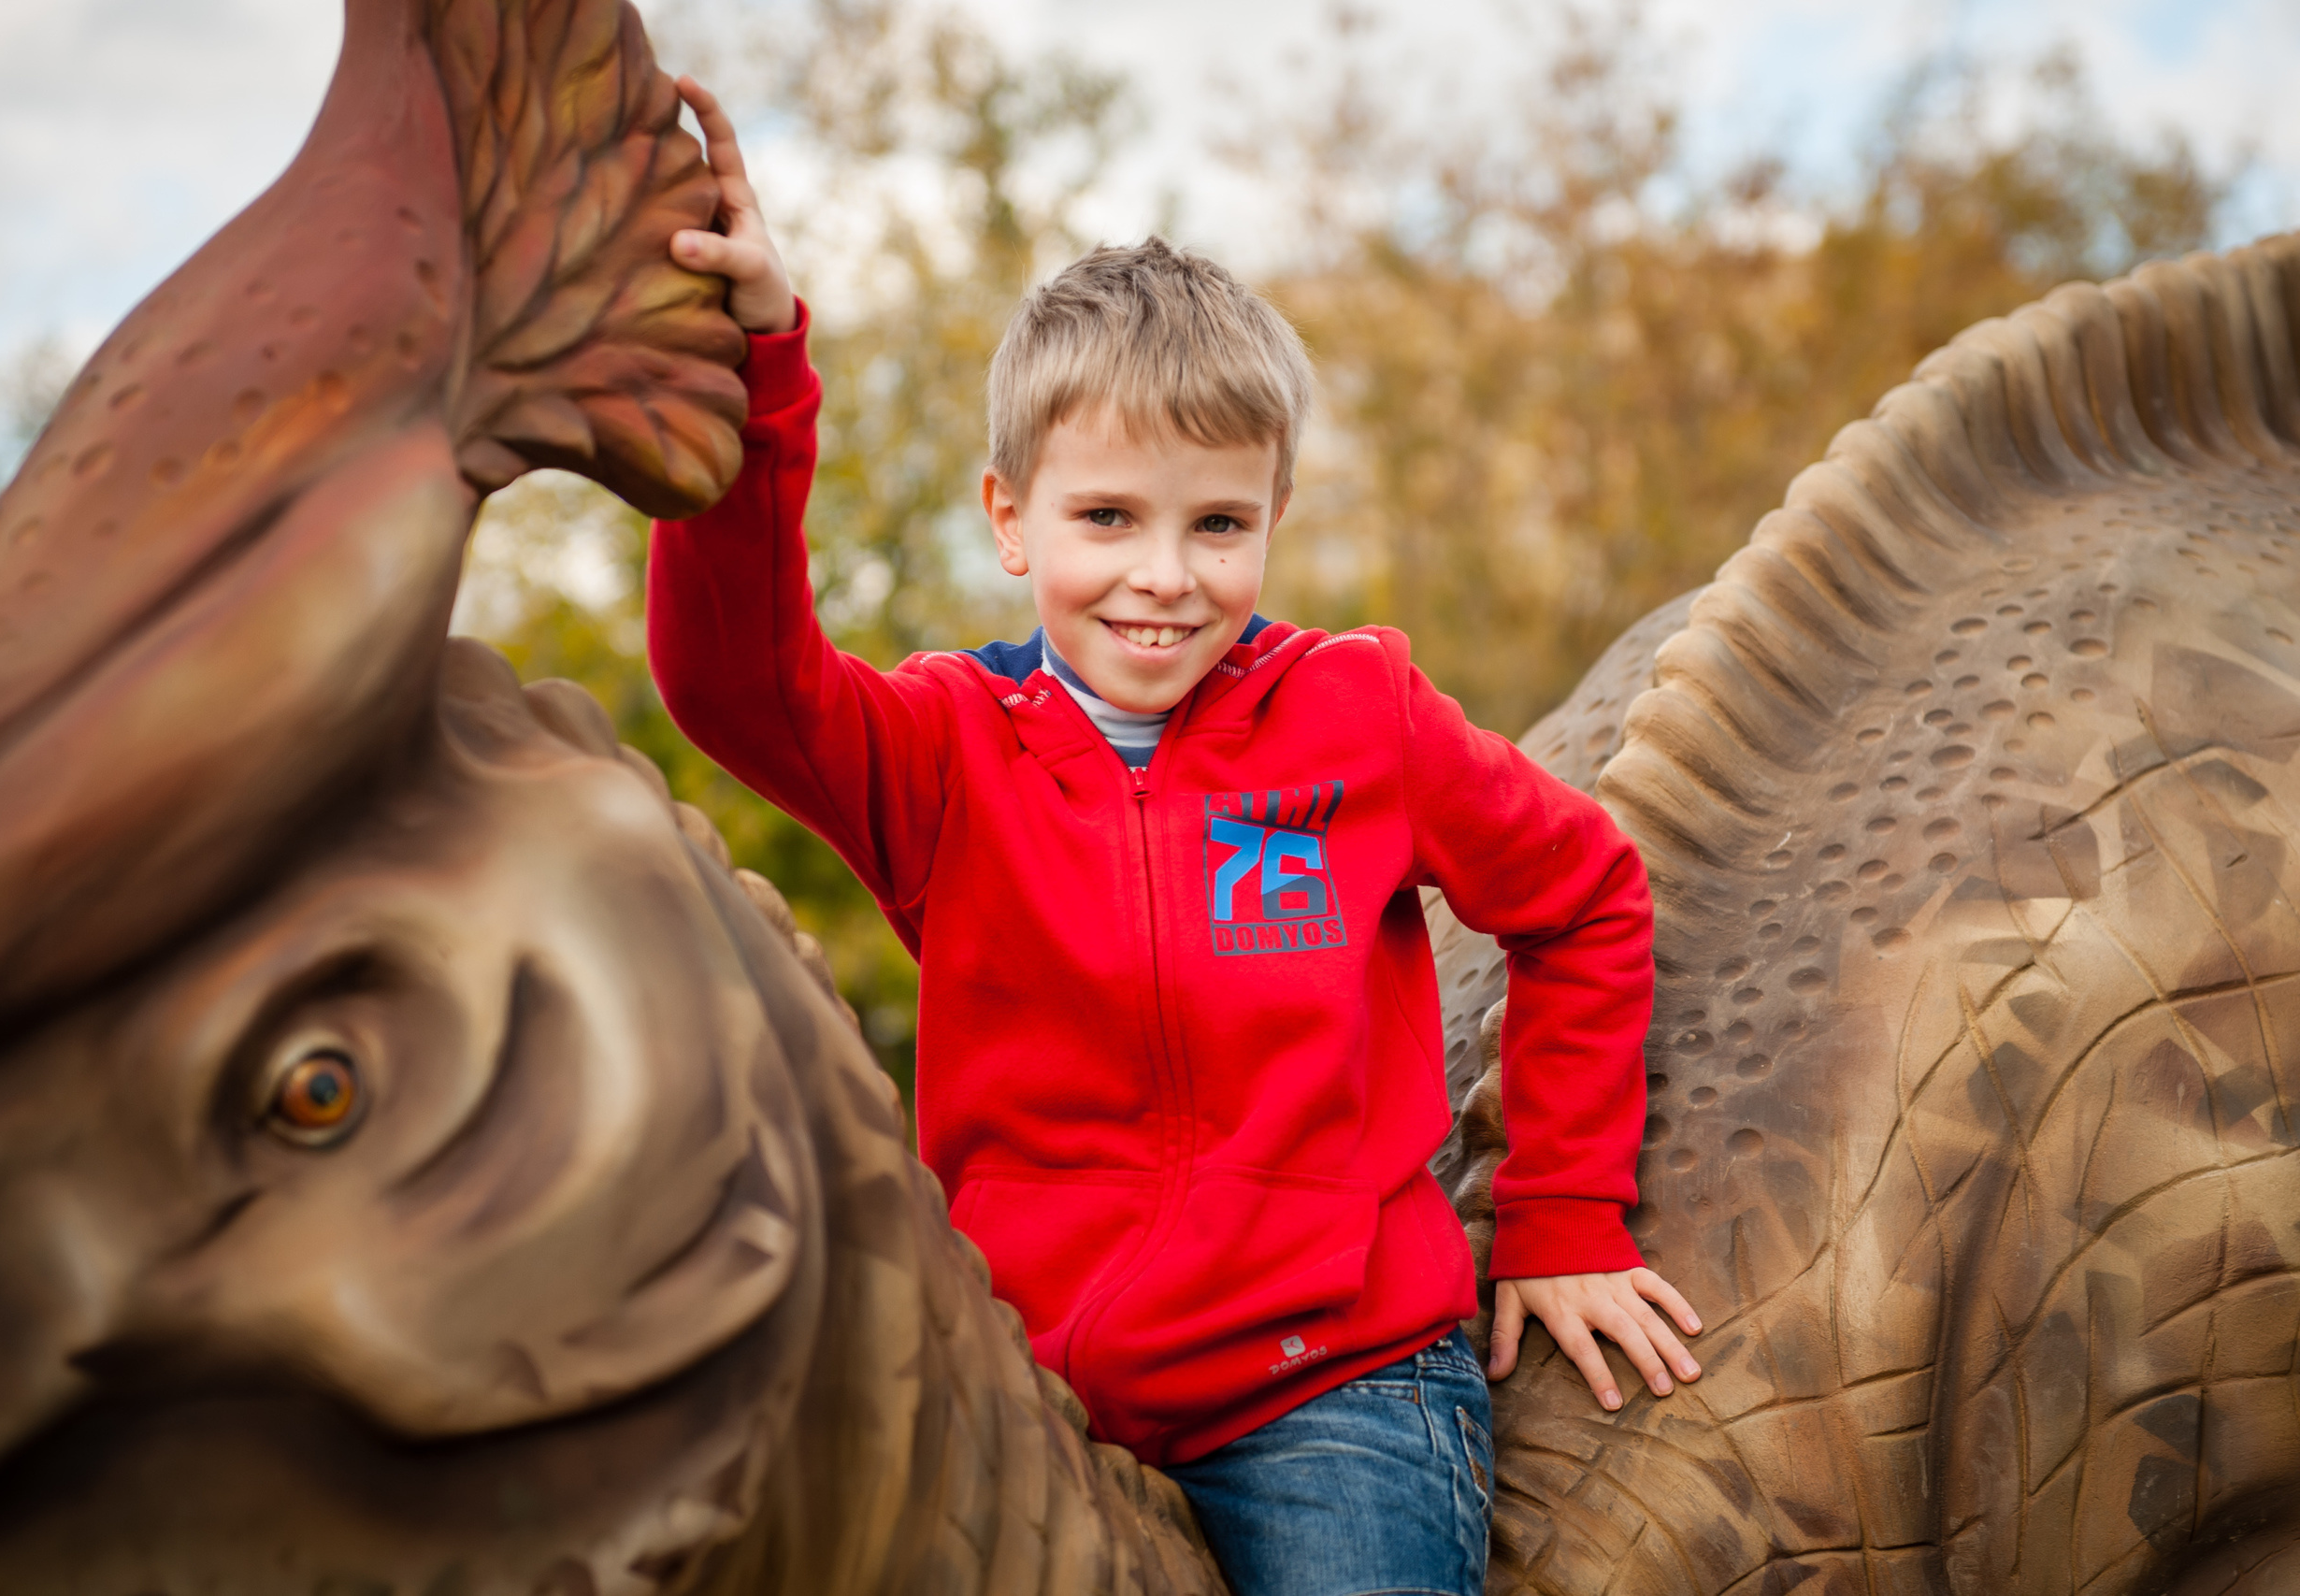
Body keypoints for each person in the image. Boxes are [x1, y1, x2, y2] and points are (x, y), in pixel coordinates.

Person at [645, 77, 1703, 1596]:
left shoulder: (1362, 714)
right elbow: (733, 680)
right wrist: (753, 363)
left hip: (1332, 1390)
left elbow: (1586, 896)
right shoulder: (943, 750)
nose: (1165, 577)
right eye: (1106, 521)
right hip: (1025, 1374)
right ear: (1011, 521)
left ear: (1274, 513)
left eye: (1217, 524)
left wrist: (1562, 1218)